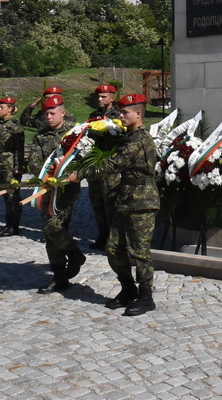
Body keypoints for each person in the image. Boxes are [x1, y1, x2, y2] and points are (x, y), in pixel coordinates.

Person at [78, 94, 160, 315]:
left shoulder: (138, 140)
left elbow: (113, 164)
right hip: (125, 198)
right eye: (121, 112)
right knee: (113, 247)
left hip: (142, 200)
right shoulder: (127, 137)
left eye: (125, 113)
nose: (121, 116)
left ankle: (146, 296)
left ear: (138, 114)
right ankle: (127, 289)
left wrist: (79, 173)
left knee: (140, 251)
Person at [27, 95, 85, 294]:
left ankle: (74, 254)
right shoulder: (40, 136)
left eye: (52, 113)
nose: (48, 117)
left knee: (53, 226)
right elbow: (34, 162)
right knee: (49, 233)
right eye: (46, 114)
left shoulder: (76, 133)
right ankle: (59, 277)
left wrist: (68, 175)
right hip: (48, 188)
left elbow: (83, 159)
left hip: (67, 190)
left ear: (63, 112)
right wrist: (46, 175)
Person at [86, 84, 121, 250]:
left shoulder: (118, 116)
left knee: (111, 203)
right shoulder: (93, 116)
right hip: (95, 166)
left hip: (110, 167)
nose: (100, 99)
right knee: (97, 202)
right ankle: (102, 234)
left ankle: (114, 238)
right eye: (98, 97)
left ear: (112, 97)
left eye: (103, 96)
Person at [0, 96, 25, 238]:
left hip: (11, 164)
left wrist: (17, 166)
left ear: (10, 109)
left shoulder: (15, 126)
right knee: (5, 194)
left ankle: (14, 225)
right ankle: (8, 223)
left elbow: (19, 149)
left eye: (1, 107)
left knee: (13, 195)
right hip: (0, 162)